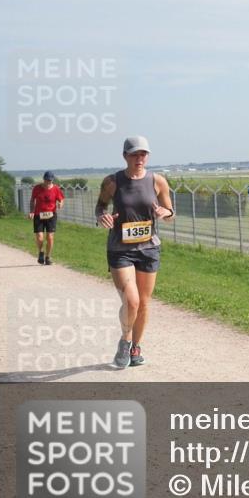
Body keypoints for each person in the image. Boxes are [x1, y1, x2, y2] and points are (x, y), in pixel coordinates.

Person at [95, 136, 174, 369]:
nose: (139, 158)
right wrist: (102, 216)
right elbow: (100, 206)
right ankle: (125, 339)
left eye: (143, 154)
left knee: (144, 303)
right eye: (134, 154)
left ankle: (136, 347)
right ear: (125, 156)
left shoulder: (158, 181)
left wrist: (164, 213)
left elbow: (170, 211)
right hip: (120, 249)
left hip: (149, 248)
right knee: (131, 301)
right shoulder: (112, 181)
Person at [29, 171, 65, 265]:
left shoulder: (56, 189)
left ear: (52, 180)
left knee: (50, 237)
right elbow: (32, 200)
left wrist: (60, 204)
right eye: (46, 180)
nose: (48, 182)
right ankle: (41, 252)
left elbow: (61, 199)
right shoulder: (37, 188)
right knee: (40, 237)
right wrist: (32, 211)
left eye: (50, 180)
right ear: (43, 179)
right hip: (38, 215)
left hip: (51, 215)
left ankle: (48, 257)